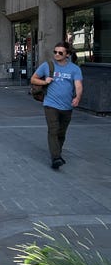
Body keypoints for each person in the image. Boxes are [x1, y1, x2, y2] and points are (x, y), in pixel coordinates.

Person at [30, 42, 83, 170]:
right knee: (53, 130)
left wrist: (77, 97)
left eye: (60, 53)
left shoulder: (75, 69)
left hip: (67, 106)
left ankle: (57, 153)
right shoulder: (47, 66)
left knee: (61, 132)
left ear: (68, 54)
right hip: (50, 104)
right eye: (55, 52)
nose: (57, 55)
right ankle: (56, 158)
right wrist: (44, 81)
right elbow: (33, 79)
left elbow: (78, 85)